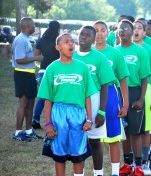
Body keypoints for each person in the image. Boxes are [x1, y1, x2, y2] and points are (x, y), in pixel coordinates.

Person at [38, 33, 97, 176]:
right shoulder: (52, 68)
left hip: (78, 113)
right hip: (58, 113)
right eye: (66, 42)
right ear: (58, 47)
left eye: (72, 41)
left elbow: (88, 96)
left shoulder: (82, 67)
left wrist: (89, 119)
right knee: (60, 155)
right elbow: (47, 100)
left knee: (78, 155)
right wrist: (48, 124)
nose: (71, 44)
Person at [73, 25, 116, 176]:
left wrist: (101, 111)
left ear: (93, 39)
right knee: (78, 140)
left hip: (94, 99)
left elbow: (105, 86)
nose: (83, 37)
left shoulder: (99, 58)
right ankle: (79, 173)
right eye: (81, 34)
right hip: (76, 102)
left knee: (95, 141)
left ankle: (99, 173)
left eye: (88, 35)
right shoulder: (71, 56)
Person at [93, 20, 130, 176]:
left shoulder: (115, 53)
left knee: (113, 137)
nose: (99, 33)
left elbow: (122, 80)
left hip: (111, 97)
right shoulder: (86, 53)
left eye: (103, 30)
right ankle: (98, 172)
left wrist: (125, 104)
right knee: (97, 139)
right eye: (96, 30)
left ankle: (115, 172)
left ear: (108, 34)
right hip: (93, 97)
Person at [116, 19, 151, 176]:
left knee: (135, 132)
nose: (122, 31)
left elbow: (145, 77)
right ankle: (127, 163)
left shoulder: (140, 51)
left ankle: (138, 165)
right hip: (118, 94)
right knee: (124, 131)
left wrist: (141, 99)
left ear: (131, 32)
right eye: (120, 29)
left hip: (135, 92)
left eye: (125, 28)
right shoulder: (115, 51)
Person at [133, 20, 151, 175]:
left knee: (147, 129)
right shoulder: (122, 50)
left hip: (147, 91)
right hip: (129, 91)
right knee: (131, 129)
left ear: (145, 33)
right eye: (134, 28)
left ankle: (145, 161)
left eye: (140, 28)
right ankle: (133, 161)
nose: (136, 31)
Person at [11, 17, 44, 142]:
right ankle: (18, 132)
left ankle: (29, 131)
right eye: (33, 25)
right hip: (22, 74)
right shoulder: (20, 39)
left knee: (31, 103)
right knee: (23, 103)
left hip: (29, 74)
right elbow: (19, 59)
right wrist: (36, 58)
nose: (34, 27)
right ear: (28, 26)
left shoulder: (26, 39)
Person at [32, 20, 61, 129]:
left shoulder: (42, 40)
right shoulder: (59, 41)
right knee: (55, 97)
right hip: (55, 71)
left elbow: (36, 56)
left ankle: (36, 119)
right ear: (58, 28)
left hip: (42, 70)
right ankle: (54, 121)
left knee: (43, 96)